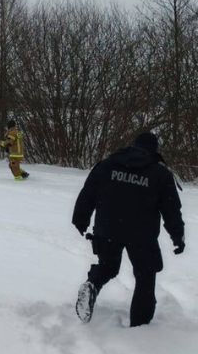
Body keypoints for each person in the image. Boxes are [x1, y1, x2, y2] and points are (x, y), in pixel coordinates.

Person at [73, 132, 184, 326]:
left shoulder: (107, 165)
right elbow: (171, 209)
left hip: (107, 229)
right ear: (154, 150)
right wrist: (177, 236)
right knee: (145, 277)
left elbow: (88, 193)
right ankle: (139, 328)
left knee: (108, 266)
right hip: (142, 236)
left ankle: (92, 284)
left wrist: (80, 219)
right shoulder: (160, 174)